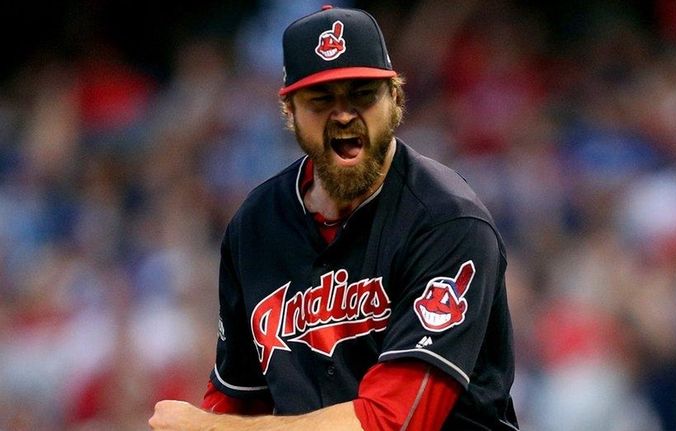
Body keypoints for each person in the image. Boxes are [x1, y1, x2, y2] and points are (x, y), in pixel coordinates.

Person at [149, 5, 519, 430]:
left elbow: (394, 423)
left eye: (362, 93)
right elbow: (238, 397)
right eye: (321, 99)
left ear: (395, 99)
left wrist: (211, 429)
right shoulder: (255, 226)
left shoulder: (447, 222)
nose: (343, 114)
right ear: (290, 112)